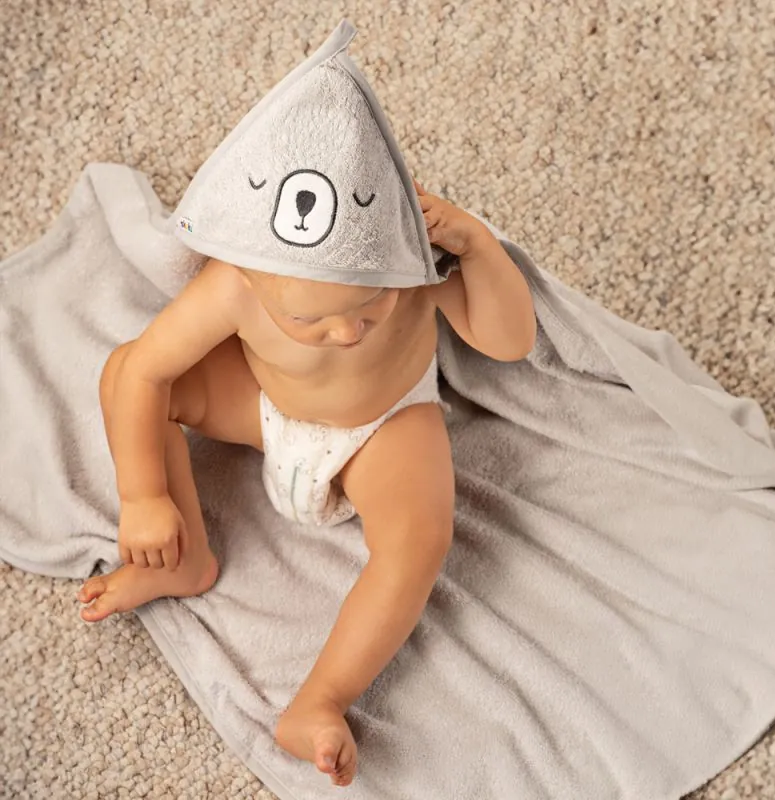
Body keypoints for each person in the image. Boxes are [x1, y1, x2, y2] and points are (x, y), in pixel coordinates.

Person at [76, 178, 536, 787]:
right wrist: (144, 496)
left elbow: (510, 341)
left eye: (371, 304)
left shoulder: (406, 250)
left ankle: (320, 701)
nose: (346, 334)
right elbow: (145, 371)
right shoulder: (236, 280)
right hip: (265, 406)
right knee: (124, 375)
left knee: (419, 538)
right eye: (308, 317)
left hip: (383, 429)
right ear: (254, 271)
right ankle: (182, 560)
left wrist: (475, 246)